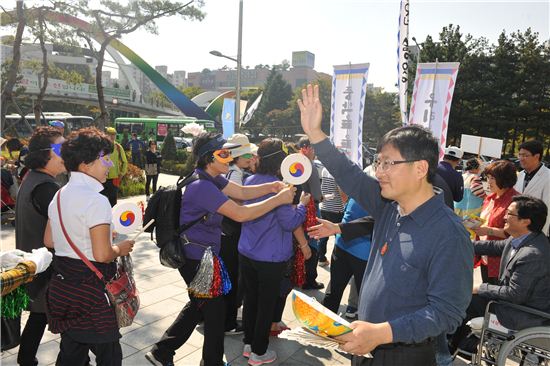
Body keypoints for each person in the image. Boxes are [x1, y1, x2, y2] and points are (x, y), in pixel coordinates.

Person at [298, 84, 473, 366]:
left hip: (404, 354)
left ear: (420, 168)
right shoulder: (389, 208)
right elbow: (349, 174)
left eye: (388, 163)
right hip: (365, 344)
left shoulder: (449, 235)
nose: (379, 172)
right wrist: (317, 135)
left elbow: (448, 312)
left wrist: (383, 332)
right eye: (378, 163)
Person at [146, 132, 296, 366]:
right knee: (215, 313)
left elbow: (243, 193)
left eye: (228, 153)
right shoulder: (202, 186)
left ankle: (162, 351)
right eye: (223, 154)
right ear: (209, 158)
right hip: (196, 258)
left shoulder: (211, 178)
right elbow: (241, 213)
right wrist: (279, 199)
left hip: (202, 256)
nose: (229, 158)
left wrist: (272, 187)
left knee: (198, 305)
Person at [45, 127, 135, 366]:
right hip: (91, 293)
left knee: (71, 353)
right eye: (104, 159)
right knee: (109, 357)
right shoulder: (97, 200)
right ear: (85, 165)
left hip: (63, 288)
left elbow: (50, 241)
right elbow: (103, 254)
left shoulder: (59, 195)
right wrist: (121, 248)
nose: (109, 165)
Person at [238, 138, 309, 365]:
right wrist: (302, 205)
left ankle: (249, 344)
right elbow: (288, 222)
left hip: (247, 251)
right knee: (266, 304)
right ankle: (259, 352)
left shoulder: (249, 181)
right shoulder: (279, 188)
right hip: (270, 257)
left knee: (250, 299)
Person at [450, 195, 550, 352]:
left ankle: (455, 350)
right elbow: (494, 246)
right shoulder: (523, 238)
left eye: (509, 214)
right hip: (514, 303)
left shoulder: (533, 254)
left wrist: (480, 287)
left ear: (526, 221)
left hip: (523, 313)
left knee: (461, 300)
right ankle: (461, 347)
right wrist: (462, 244)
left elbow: (514, 294)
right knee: (463, 297)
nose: (504, 217)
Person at [14, 126, 66, 366]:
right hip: (49, 269)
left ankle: (25, 359)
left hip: (36, 265)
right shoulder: (46, 188)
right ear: (45, 154)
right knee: (71, 323)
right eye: (60, 149)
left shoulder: (32, 179)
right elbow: (66, 231)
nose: (66, 153)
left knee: (39, 316)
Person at [311, 197, 371, 315]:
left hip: (343, 245)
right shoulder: (385, 196)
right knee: (365, 299)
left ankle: (324, 328)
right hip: (361, 253)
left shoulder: (359, 189)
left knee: (334, 290)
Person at [220, 133, 253, 335]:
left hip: (222, 227)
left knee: (224, 273)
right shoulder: (236, 173)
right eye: (247, 154)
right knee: (232, 275)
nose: (249, 158)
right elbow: (237, 201)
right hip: (231, 228)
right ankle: (229, 323)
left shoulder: (225, 169)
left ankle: (211, 316)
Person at [471, 160, 518, 284]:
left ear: (505, 179)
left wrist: (488, 230)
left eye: (493, 178)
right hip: (485, 254)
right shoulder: (490, 198)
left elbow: (514, 233)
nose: (489, 181)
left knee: (496, 294)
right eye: (488, 177)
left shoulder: (515, 201)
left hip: (501, 259)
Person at [298, 137, 324, 290]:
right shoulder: (310, 166)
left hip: (297, 207)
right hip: (311, 209)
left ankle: (298, 275)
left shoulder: (294, 163)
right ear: (309, 148)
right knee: (312, 242)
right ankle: (309, 279)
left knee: (299, 242)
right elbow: (316, 193)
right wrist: (320, 197)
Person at [514, 140, 550, 236]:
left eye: (525, 155)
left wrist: (541, 235)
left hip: (536, 231)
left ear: (537, 156)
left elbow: (548, 209)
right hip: (517, 228)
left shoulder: (548, 177)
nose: (521, 158)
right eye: (520, 155)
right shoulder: (519, 176)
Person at [317, 167, 346, 266]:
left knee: (323, 236)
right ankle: (339, 261)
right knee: (339, 236)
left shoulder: (325, 169)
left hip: (324, 207)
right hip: (336, 209)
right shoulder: (337, 171)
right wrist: (346, 203)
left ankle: (321, 259)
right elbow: (342, 193)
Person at [101, 127, 128, 207]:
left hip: (114, 178)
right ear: (106, 135)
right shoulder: (101, 146)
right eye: (110, 134)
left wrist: (122, 173)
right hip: (102, 178)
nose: (112, 136)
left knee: (113, 202)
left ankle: (113, 218)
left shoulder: (118, 147)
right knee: (102, 200)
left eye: (114, 134)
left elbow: (125, 161)